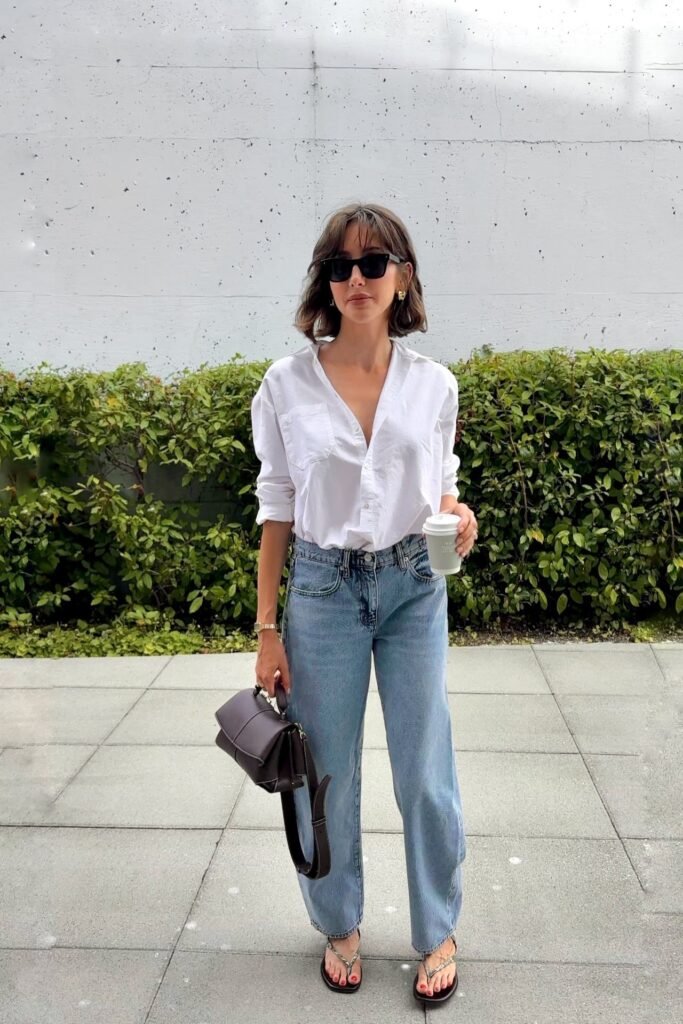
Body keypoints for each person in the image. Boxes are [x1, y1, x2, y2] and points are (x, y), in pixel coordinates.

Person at [250, 202, 478, 1004]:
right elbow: (276, 504)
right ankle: (337, 920)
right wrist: (267, 628)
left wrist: (460, 515)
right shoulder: (285, 384)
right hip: (319, 588)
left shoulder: (434, 384)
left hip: (414, 585)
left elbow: (439, 488)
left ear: (402, 276)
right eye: (338, 267)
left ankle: (436, 926)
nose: (355, 280)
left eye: (372, 264)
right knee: (328, 772)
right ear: (324, 282)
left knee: (425, 768)